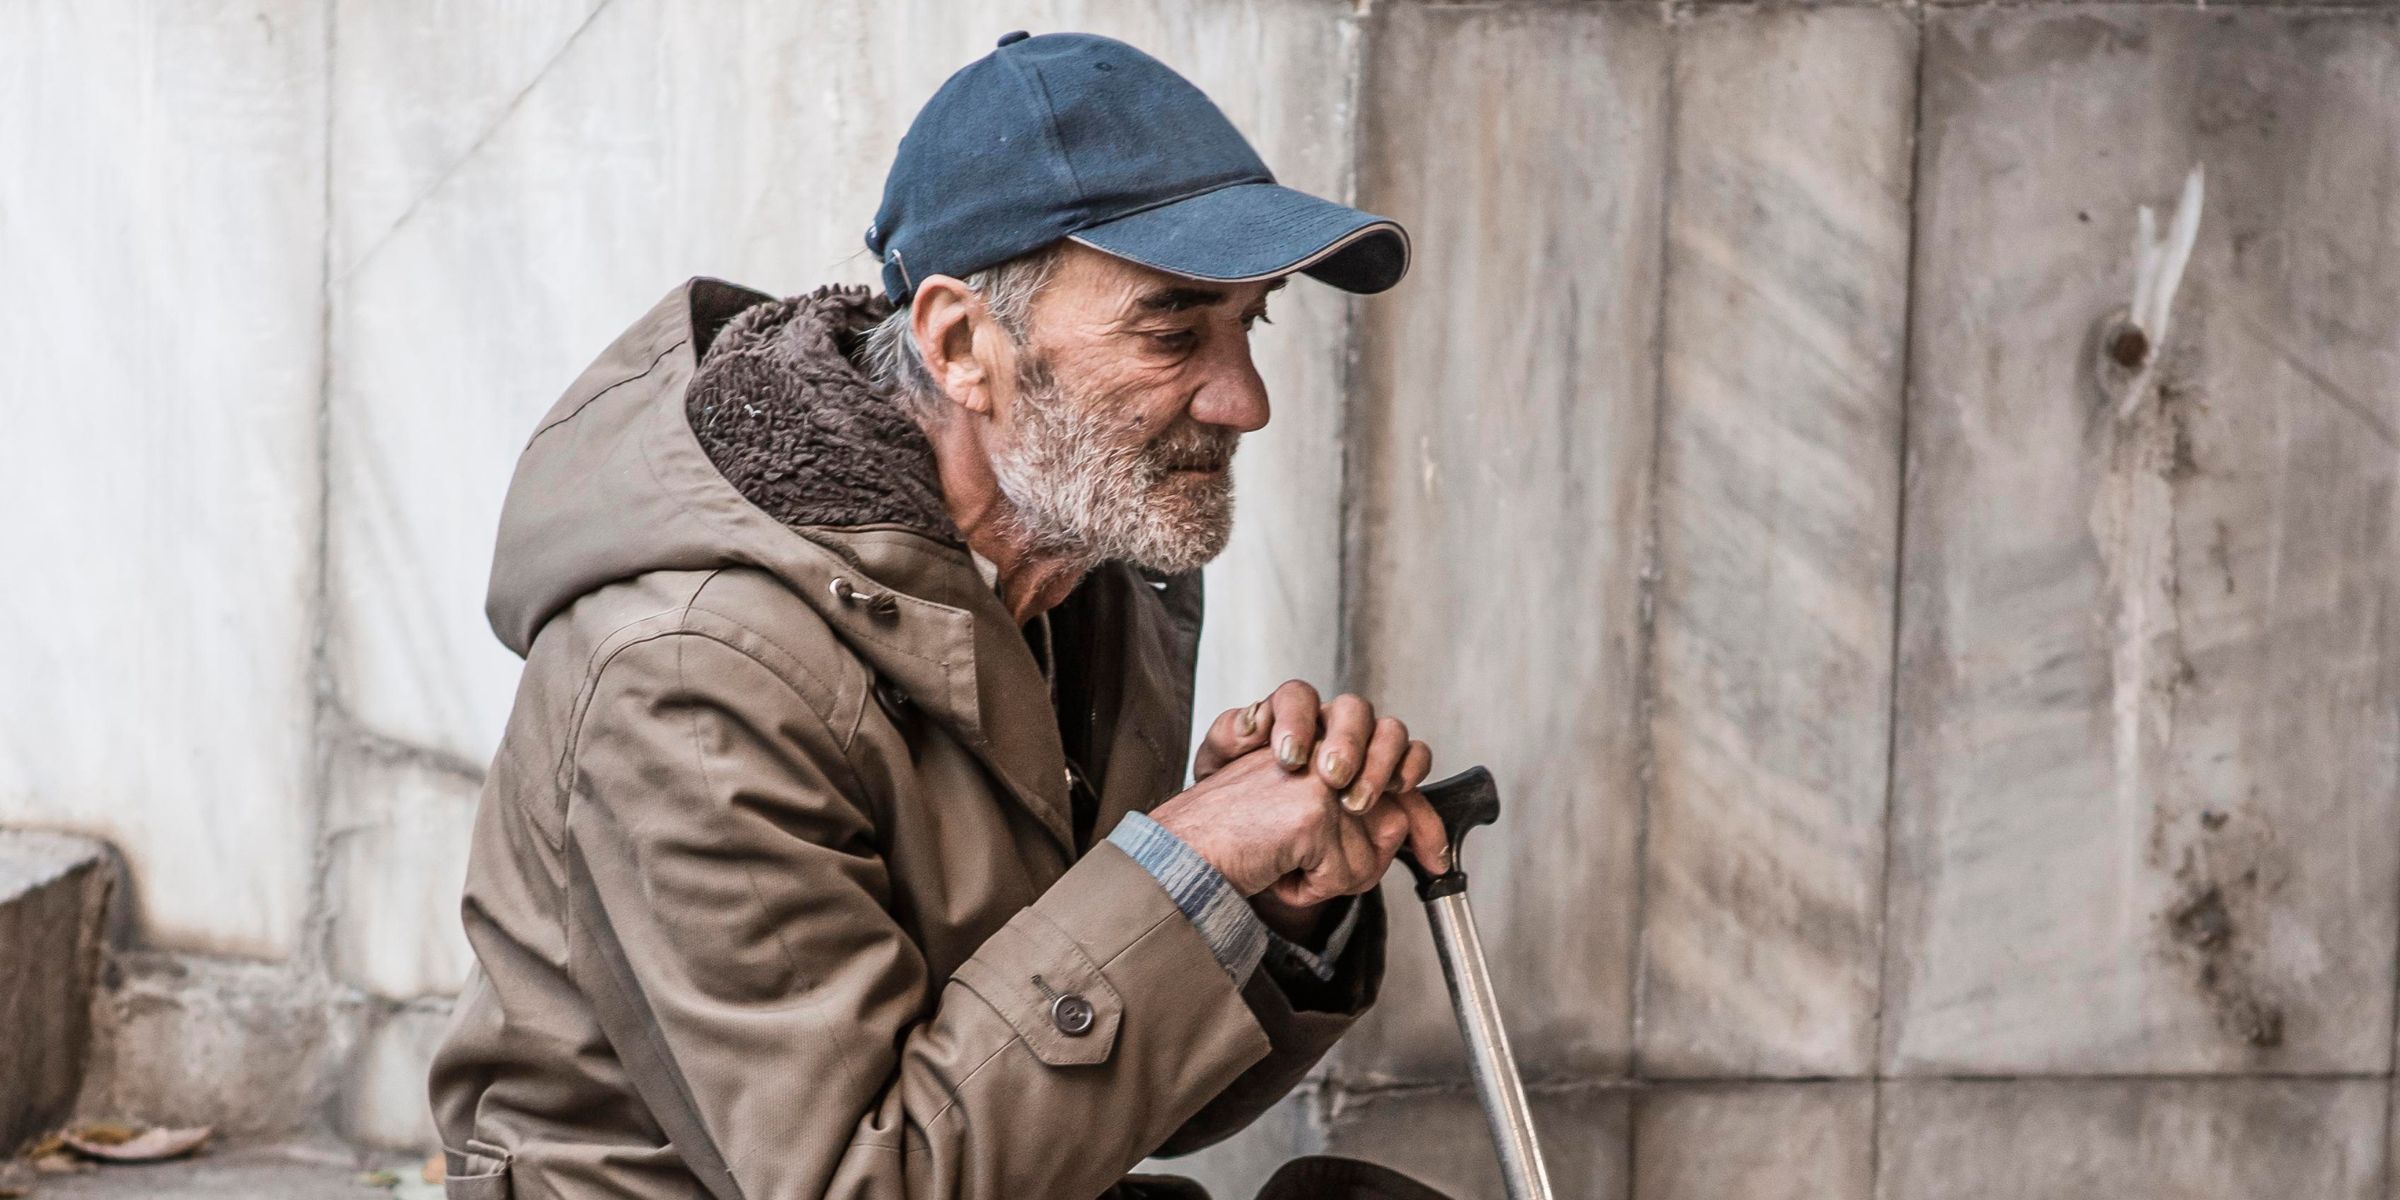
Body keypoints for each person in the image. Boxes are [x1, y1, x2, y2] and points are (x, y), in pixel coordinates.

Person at [428, 31, 1451, 1200]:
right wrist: (1186, 866)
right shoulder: (692, 671)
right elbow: (863, 1182)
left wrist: (1260, 900)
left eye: (1248, 324)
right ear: (963, 345)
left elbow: (1081, 1103)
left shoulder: (1077, 564)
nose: (1244, 401)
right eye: (1173, 330)